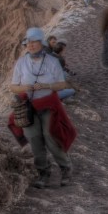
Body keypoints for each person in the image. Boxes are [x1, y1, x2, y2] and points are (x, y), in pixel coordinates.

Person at [9, 27, 77, 188]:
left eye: (34, 42)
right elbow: (13, 87)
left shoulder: (52, 62)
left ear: (41, 43)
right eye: (28, 42)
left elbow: (62, 84)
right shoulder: (21, 63)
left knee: (50, 136)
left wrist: (47, 85)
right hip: (29, 107)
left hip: (48, 105)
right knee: (34, 139)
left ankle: (65, 167)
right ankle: (43, 171)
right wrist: (26, 88)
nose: (31, 45)